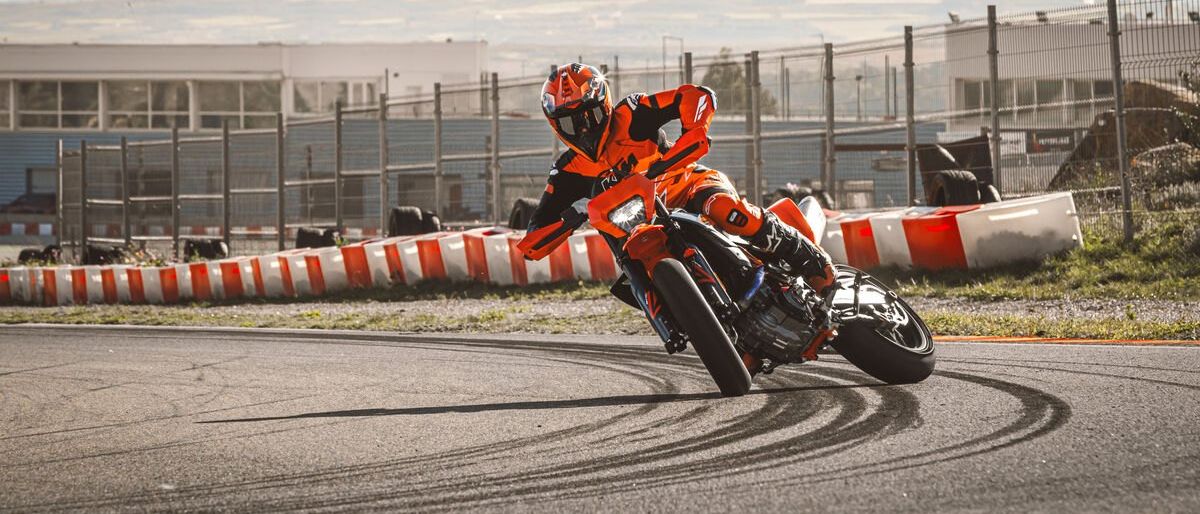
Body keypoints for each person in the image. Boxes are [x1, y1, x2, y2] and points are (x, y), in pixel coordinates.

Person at [520, 63, 833, 292]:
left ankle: (808, 256)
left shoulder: (631, 113)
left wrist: (694, 131)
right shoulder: (567, 170)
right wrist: (567, 222)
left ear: (604, 105)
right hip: (640, 228)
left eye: (590, 116)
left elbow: (696, 95)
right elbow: (532, 239)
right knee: (636, 273)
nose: (584, 129)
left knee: (725, 210)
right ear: (557, 126)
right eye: (571, 124)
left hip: (688, 185)